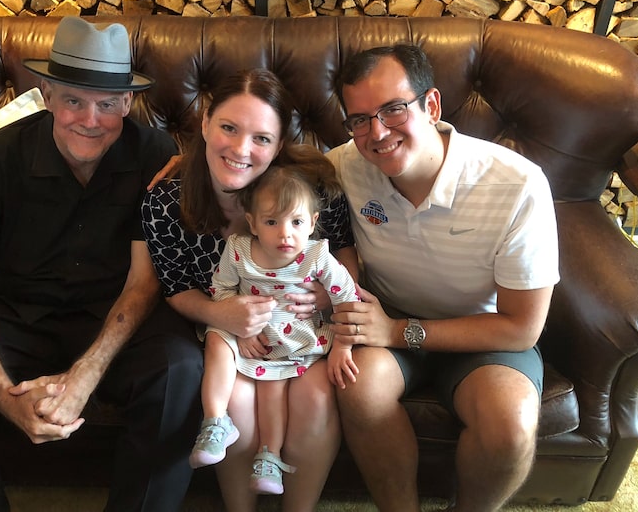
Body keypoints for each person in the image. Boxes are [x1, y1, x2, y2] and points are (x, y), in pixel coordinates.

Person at [0, 16, 204, 512]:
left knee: (181, 370)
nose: (90, 120)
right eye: (73, 100)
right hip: (19, 316)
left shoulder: (153, 152)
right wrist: (6, 398)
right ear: (47, 94)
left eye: (107, 105)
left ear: (127, 103)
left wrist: (84, 377)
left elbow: (143, 283)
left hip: (115, 317)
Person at [326, 44, 560, 512]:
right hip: (388, 317)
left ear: (431, 105)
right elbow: (261, 167)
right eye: (359, 119)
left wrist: (396, 332)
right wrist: (188, 165)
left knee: (510, 427)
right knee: (360, 390)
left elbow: (522, 328)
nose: (377, 133)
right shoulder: (343, 166)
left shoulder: (517, 184)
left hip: (482, 332)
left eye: (393, 109)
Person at [142, 68, 358, 512]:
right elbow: (175, 287)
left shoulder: (311, 192)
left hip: (303, 330)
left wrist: (322, 297)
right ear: (204, 124)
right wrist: (224, 317)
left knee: (314, 401)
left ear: (279, 145)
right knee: (236, 406)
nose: (240, 149)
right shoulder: (165, 198)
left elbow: (345, 258)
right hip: (225, 330)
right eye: (228, 128)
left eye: (261, 138)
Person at [190, 157, 360, 495]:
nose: (285, 233)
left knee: (273, 389)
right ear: (252, 223)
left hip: (290, 341)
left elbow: (348, 298)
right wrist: (241, 327)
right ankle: (215, 422)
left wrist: (343, 346)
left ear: (312, 223)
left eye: (296, 222)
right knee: (214, 340)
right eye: (272, 222)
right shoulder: (238, 251)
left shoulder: (318, 257)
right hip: (243, 331)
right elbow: (221, 291)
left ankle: (269, 456)